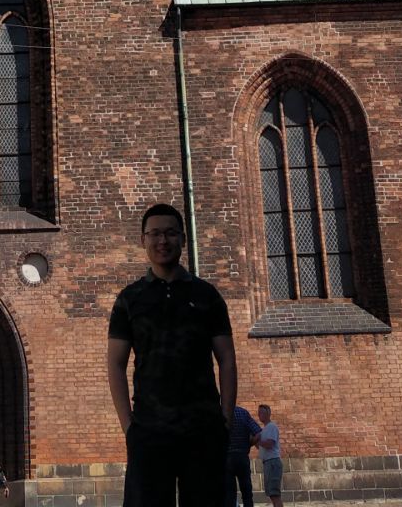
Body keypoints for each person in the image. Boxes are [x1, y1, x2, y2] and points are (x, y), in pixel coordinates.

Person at [107, 200, 238, 507]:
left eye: (170, 233)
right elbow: (115, 363)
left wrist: (226, 420)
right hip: (149, 428)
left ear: (182, 238)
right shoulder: (129, 299)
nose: (162, 241)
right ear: (143, 240)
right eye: (154, 234)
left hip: (203, 426)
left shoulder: (207, 296)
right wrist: (129, 426)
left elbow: (227, 359)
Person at [224, 408, 261, 507]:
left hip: (226, 458)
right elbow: (258, 433)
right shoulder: (243, 413)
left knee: (229, 493)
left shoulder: (221, 412)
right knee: (247, 492)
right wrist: (249, 444)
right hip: (242, 456)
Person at [255, 406, 282, 507]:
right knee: (271, 494)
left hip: (273, 462)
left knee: (275, 494)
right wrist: (254, 440)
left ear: (268, 414)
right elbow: (260, 447)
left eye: (261, 413)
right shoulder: (264, 430)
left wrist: (259, 440)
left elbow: (269, 444)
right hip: (267, 462)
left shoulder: (272, 426)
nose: (259, 415)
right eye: (258, 413)